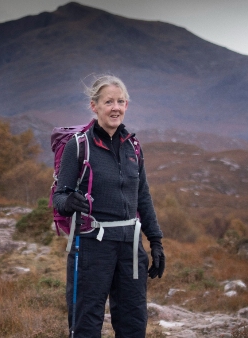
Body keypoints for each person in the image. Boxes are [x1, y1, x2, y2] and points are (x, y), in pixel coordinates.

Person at [52, 74, 165, 337]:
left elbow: (143, 196)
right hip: (91, 245)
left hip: (130, 245)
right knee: (86, 324)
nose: (116, 107)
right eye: (108, 102)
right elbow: (59, 197)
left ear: (127, 105)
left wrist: (156, 241)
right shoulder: (79, 146)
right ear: (95, 106)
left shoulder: (133, 148)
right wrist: (68, 201)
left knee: (133, 324)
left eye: (120, 101)